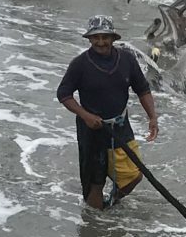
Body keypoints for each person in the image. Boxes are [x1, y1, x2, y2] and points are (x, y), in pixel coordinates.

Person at [56, 15, 160, 211]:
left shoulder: (127, 59)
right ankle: (96, 226)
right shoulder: (80, 64)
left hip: (120, 127)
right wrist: (85, 116)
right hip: (91, 130)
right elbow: (63, 94)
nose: (101, 42)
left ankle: (111, 203)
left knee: (135, 175)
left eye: (105, 37)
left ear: (113, 38)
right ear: (89, 39)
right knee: (95, 182)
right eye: (96, 37)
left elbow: (143, 89)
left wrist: (152, 117)